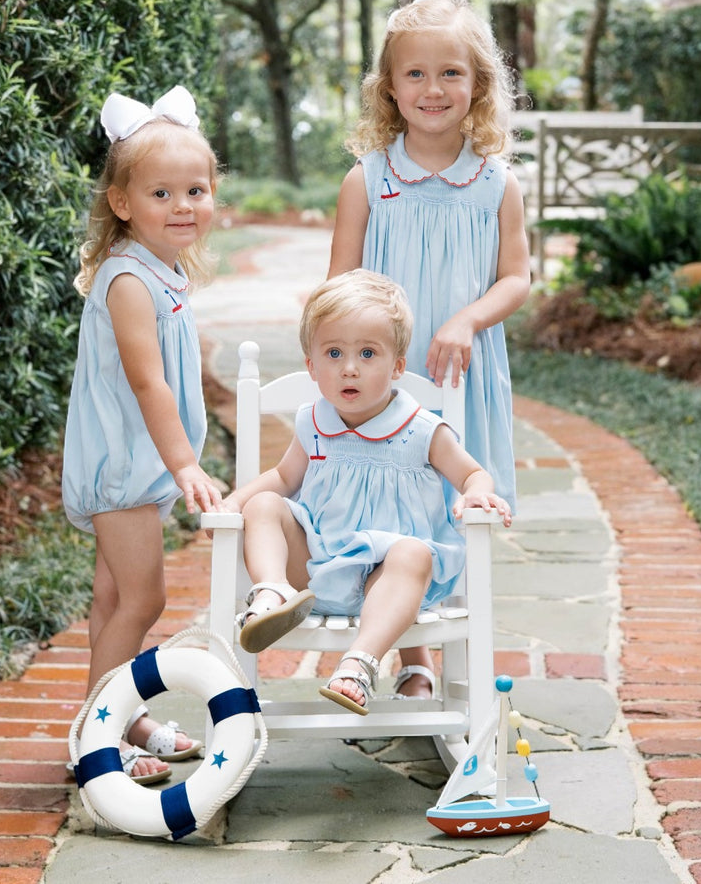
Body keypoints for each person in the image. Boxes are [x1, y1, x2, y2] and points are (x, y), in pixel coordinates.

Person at [328, 0, 530, 699]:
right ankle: (412, 657)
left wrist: (468, 318)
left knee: (450, 499)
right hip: (388, 379)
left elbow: (517, 278)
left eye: (450, 73)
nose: (432, 89)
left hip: (462, 370)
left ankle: (444, 649)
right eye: (414, 75)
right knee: (395, 503)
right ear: (388, 88)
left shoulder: (496, 185)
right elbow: (339, 291)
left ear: (478, 83)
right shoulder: (369, 182)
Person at [222, 270, 511, 714]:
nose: (349, 367)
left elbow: (474, 474)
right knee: (264, 503)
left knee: (414, 553)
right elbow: (282, 479)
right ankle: (272, 592)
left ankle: (359, 663)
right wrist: (233, 502)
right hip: (317, 570)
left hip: (389, 580)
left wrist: (477, 493)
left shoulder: (421, 430)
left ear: (397, 366)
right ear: (312, 366)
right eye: (333, 353)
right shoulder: (313, 423)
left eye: (368, 353)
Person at [62, 85, 224, 783]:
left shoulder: (161, 270)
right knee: (144, 600)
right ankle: (102, 741)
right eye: (162, 194)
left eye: (196, 189)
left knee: (112, 601)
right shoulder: (130, 279)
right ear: (122, 203)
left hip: (133, 465)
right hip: (124, 466)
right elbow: (146, 383)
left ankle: (117, 719)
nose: (182, 206)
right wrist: (185, 463)